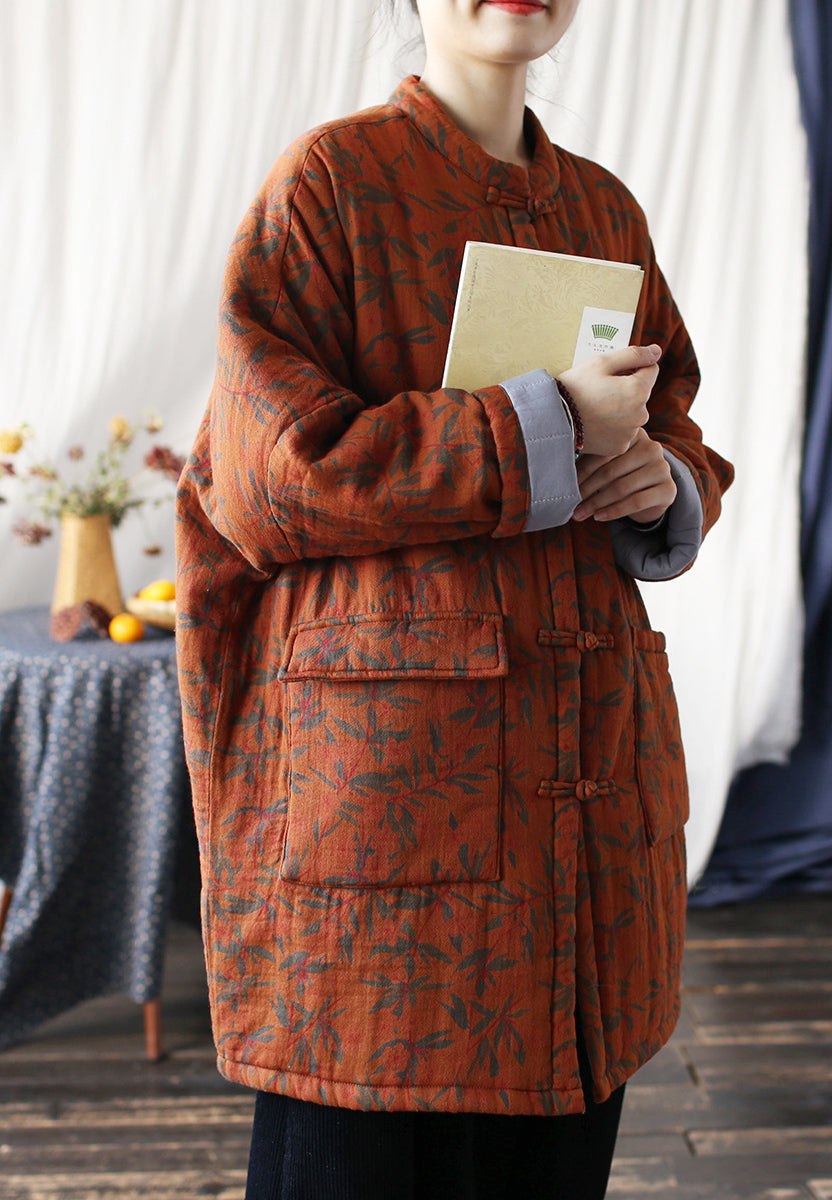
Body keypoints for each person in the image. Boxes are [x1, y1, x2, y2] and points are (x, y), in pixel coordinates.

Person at [175, 1, 734, 1196]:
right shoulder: (331, 185)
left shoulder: (604, 209)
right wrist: (537, 427)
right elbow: (269, 479)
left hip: (587, 808)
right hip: (390, 826)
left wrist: (663, 478)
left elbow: (673, 414)